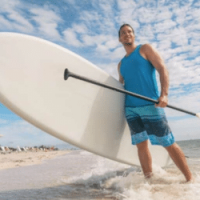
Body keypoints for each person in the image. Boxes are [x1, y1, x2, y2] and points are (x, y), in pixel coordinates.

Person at [117, 24, 193, 182]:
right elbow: (121, 87)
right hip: (131, 109)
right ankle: (149, 181)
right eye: (123, 33)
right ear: (119, 39)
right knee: (141, 146)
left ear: (134, 35)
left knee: (168, 142)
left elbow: (162, 68)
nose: (127, 34)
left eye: (129, 31)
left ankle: (190, 180)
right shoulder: (120, 64)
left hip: (150, 105)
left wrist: (164, 94)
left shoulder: (144, 49)